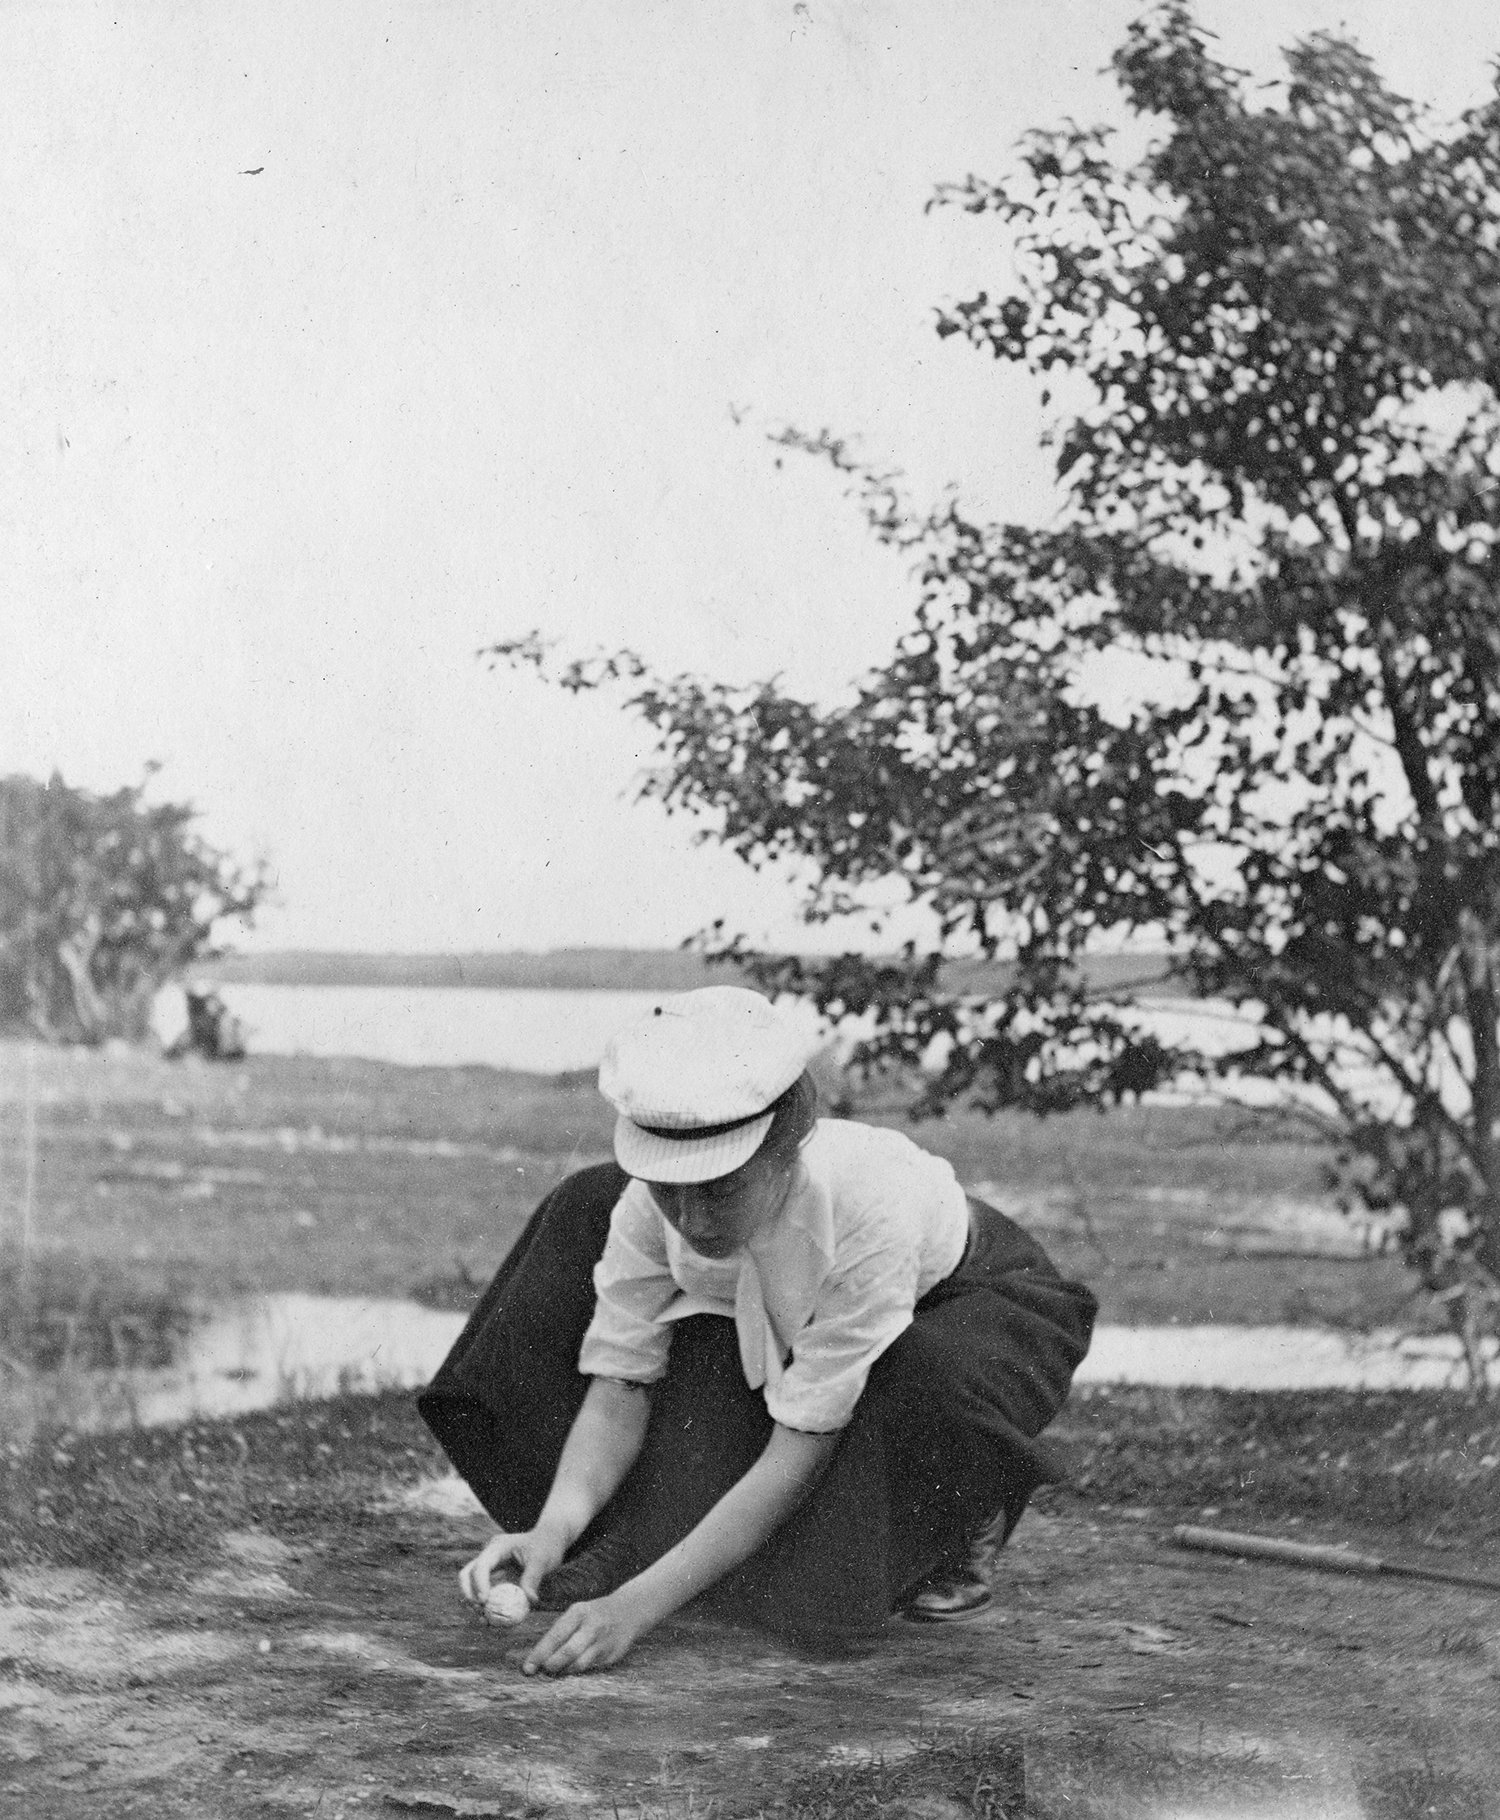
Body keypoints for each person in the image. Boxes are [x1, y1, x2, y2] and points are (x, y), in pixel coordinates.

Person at [418, 986, 1096, 1677]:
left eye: (717, 1189)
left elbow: (799, 1446)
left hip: (981, 1305)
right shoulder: (652, 1209)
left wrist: (635, 1608)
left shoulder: (867, 1210)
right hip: (799, 1303)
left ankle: (969, 1511)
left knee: (825, 1594)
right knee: (737, 1573)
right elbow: (620, 1383)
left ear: (787, 1147)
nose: (692, 1218)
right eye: (670, 1189)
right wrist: (553, 1531)